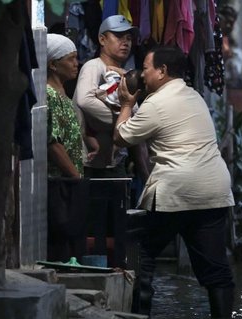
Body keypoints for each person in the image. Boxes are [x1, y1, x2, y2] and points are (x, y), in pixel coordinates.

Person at [114, 46, 236, 318]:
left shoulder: (155, 104)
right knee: (216, 270)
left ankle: (139, 314)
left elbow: (121, 137)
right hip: (213, 189)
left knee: (142, 255)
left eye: (146, 68)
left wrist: (125, 105)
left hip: (177, 190)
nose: (143, 74)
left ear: (162, 71)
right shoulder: (195, 96)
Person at [73, 15, 144, 266]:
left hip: (114, 164)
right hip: (93, 166)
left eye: (129, 38)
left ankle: (115, 271)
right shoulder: (94, 67)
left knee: (116, 224)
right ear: (102, 39)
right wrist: (120, 121)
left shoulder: (126, 72)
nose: (125, 43)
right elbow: (84, 101)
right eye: (118, 37)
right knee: (95, 226)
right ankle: (96, 271)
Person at [46, 33, 89, 262]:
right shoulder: (49, 94)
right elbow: (53, 143)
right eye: (71, 59)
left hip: (70, 181)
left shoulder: (63, 93)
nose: (76, 64)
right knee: (60, 237)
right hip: (60, 182)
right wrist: (75, 177)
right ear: (53, 64)